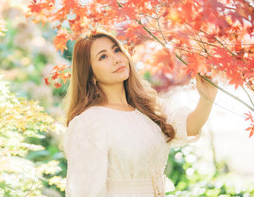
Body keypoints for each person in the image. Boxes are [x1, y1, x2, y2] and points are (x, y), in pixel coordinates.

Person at [61, 30, 218, 197]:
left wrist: (206, 99)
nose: (116, 59)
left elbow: (188, 128)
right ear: (90, 74)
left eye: (116, 50)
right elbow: (85, 191)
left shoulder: (147, 106)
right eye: (103, 57)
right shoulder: (90, 121)